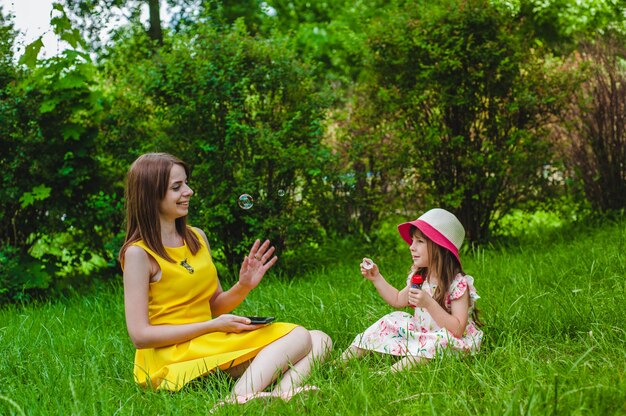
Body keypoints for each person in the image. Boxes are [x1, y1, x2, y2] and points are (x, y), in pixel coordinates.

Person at [119, 153, 332, 404]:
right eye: (177, 187)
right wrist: (213, 326)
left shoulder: (196, 237)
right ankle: (235, 399)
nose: (189, 191)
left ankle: (279, 396)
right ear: (150, 195)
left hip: (208, 341)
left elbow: (215, 304)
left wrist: (243, 286)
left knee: (320, 338)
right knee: (298, 336)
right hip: (173, 355)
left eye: (186, 183)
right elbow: (141, 336)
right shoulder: (138, 253)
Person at [341, 208, 483, 371]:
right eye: (412, 241)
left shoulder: (457, 284)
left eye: (419, 241)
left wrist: (429, 303)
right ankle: (339, 363)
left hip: (448, 338)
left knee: (437, 342)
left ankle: (388, 374)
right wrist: (377, 278)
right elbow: (397, 299)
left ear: (440, 248)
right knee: (392, 319)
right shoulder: (421, 276)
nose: (411, 247)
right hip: (421, 331)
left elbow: (457, 330)